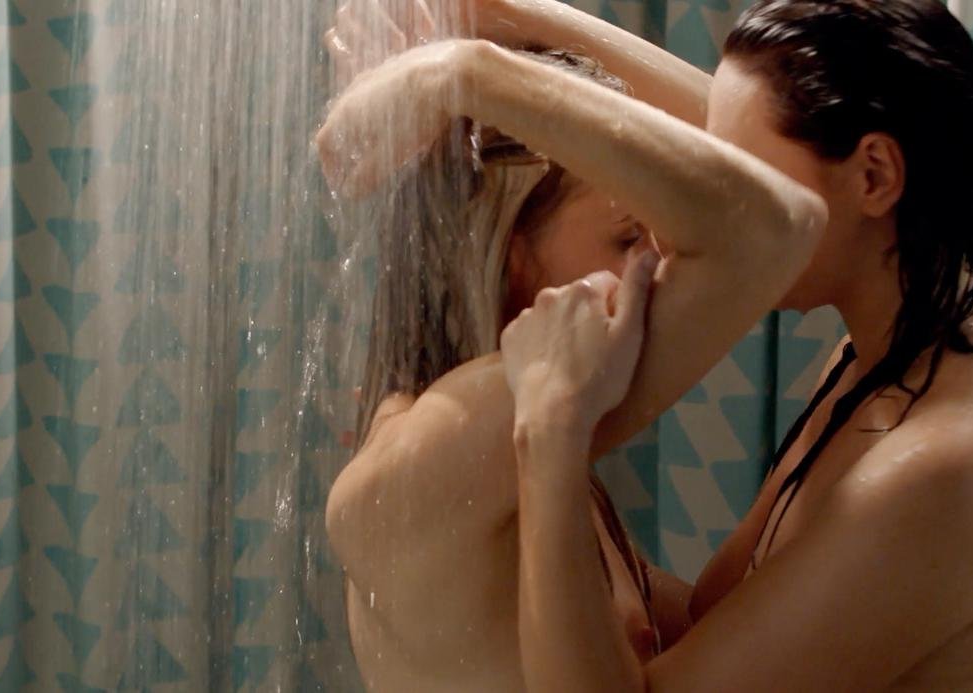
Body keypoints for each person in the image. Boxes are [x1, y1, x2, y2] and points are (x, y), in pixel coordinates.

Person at [495, 1, 973, 690]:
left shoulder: (945, 466)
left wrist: (550, 434)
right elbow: (730, 624)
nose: (694, 226)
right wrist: (497, 17)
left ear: (873, 177)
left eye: (741, 178)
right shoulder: (895, 351)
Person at [319, 1, 826, 690]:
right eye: (628, 236)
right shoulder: (440, 444)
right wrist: (460, 71)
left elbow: (783, 185)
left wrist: (487, 18)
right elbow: (777, 217)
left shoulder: (528, 427)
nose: (666, 259)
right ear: (508, 258)